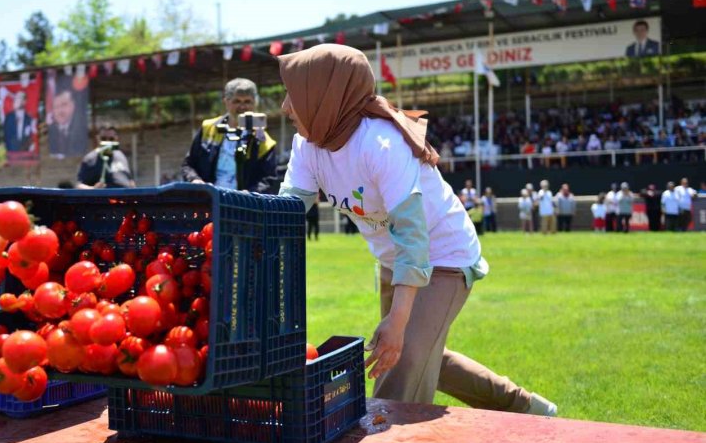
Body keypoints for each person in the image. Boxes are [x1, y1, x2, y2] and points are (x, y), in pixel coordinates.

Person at [278, 44, 555, 416]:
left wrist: (399, 320)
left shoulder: (380, 143)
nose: (284, 107)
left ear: (325, 95)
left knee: (401, 361)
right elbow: (287, 210)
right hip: (396, 260)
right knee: (421, 354)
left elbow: (413, 237)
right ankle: (526, 407)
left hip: (443, 256)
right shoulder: (307, 144)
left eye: (293, 95)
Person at [181, 78, 278, 193]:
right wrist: (194, 180)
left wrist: (251, 194)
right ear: (226, 101)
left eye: (248, 101)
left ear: (255, 103)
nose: (242, 107)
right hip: (209, 200)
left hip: (243, 206)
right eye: (237, 101)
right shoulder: (208, 128)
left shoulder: (264, 141)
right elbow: (188, 164)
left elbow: (269, 179)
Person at [76, 124, 135, 189]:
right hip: (105, 197)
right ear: (98, 138)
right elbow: (79, 185)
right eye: (103, 139)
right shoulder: (90, 159)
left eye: (111, 139)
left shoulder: (121, 155)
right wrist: (93, 188)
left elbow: (130, 180)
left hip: (124, 197)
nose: (107, 142)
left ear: (116, 139)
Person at [49, 86, 89, 157]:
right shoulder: (52, 130)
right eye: (56, 107)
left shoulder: (79, 128)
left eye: (64, 104)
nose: (60, 110)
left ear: (73, 105)